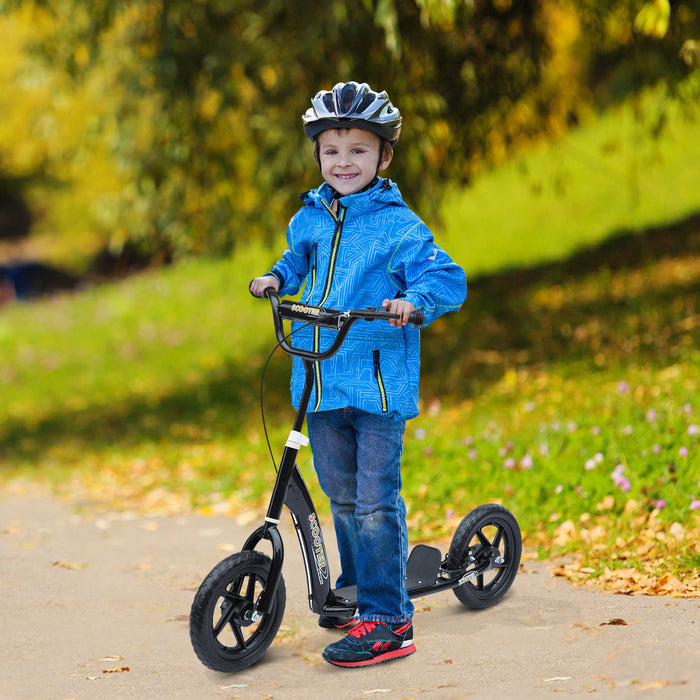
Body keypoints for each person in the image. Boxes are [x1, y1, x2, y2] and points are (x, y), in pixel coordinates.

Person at [250, 81, 466, 667]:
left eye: (358, 150)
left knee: (374, 501)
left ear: (384, 156)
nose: (343, 162)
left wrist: (413, 301)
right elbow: (297, 261)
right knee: (342, 497)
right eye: (331, 150)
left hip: (374, 388)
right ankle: (357, 591)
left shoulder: (399, 227)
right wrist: (275, 277)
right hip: (318, 385)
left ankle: (391, 618)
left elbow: (447, 277)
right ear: (317, 154)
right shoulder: (310, 218)